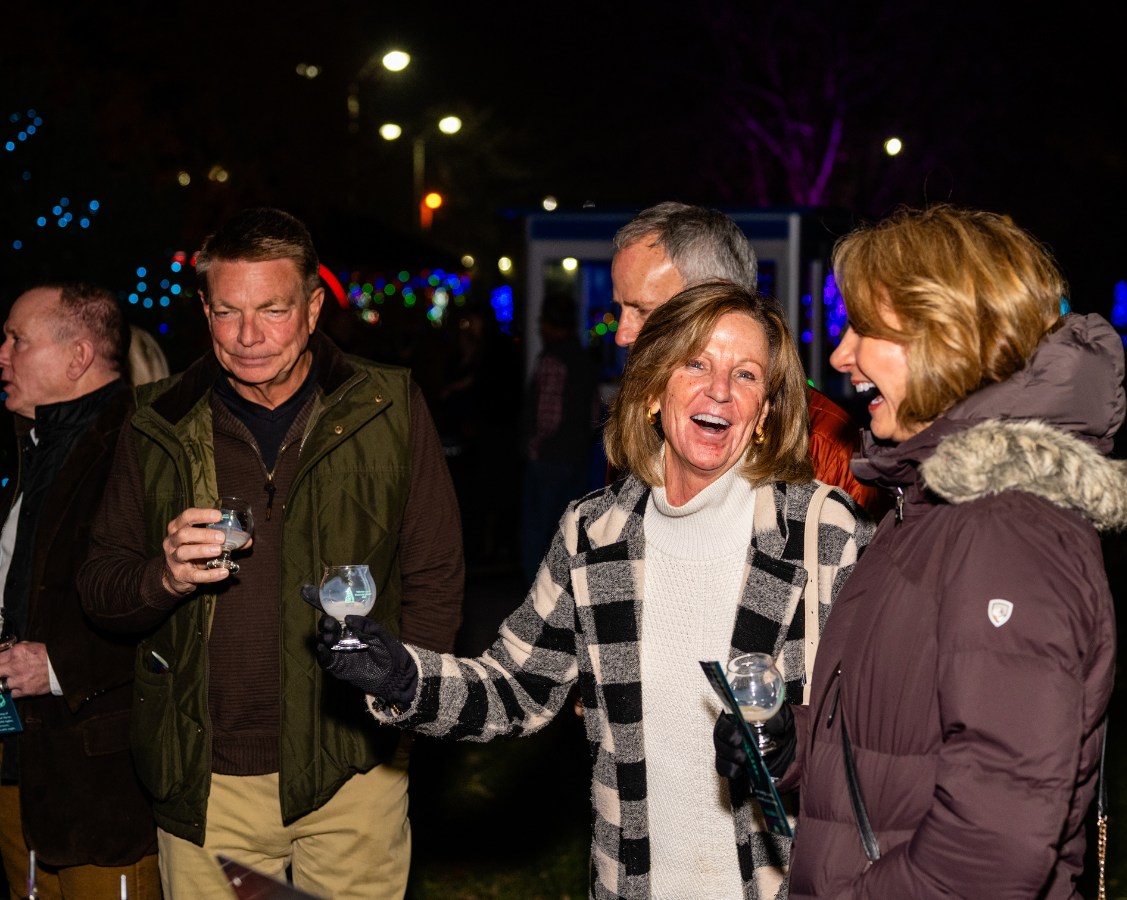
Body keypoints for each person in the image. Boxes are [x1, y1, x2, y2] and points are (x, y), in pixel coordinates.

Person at [317, 283, 874, 900]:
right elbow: (516, 689)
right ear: (654, 389)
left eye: (745, 374)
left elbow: (882, 726)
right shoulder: (596, 533)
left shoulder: (821, 533)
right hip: (630, 883)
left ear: (765, 411)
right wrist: (403, 679)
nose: (719, 390)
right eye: (696, 363)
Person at [77, 208, 465, 899]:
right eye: (227, 313)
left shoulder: (388, 405)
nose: (248, 336)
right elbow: (100, 585)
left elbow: (434, 574)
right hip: (207, 777)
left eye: (273, 310)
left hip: (354, 765)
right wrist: (162, 576)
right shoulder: (154, 420)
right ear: (204, 309)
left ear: (314, 308)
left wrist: (405, 713)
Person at [772, 206, 1127, 898]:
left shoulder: (1005, 530)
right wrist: (800, 746)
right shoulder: (931, 505)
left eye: (865, 330)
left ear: (945, 339)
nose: (842, 356)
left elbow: (991, 851)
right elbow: (915, 740)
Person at [0, 284, 160, 899]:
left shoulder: (143, 445)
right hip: (22, 757)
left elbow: (183, 610)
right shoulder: (30, 445)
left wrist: (61, 664)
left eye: (17, 339)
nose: (2, 354)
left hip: (101, 776)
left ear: (77, 358)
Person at [610, 202, 885, 517]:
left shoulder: (830, 450)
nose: (622, 334)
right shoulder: (639, 418)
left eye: (643, 310)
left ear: (718, 296)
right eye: (620, 308)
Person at [520, 291, 599, 584]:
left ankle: (537, 601)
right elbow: (594, 413)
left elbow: (547, 416)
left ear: (548, 324)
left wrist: (534, 448)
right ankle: (562, 599)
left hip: (550, 461)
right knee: (567, 535)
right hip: (577, 459)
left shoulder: (553, 359)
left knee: (536, 533)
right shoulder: (583, 358)